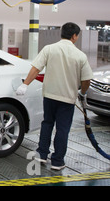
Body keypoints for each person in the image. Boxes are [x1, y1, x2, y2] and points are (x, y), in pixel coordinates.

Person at [16, 22, 93, 170]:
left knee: (47, 124)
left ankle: (42, 155)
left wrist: (25, 84)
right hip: (67, 98)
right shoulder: (80, 56)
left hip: (49, 96)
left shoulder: (49, 49)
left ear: (61, 33)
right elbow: (86, 80)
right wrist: (82, 93)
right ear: (75, 36)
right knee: (62, 129)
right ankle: (57, 162)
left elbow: (36, 68)